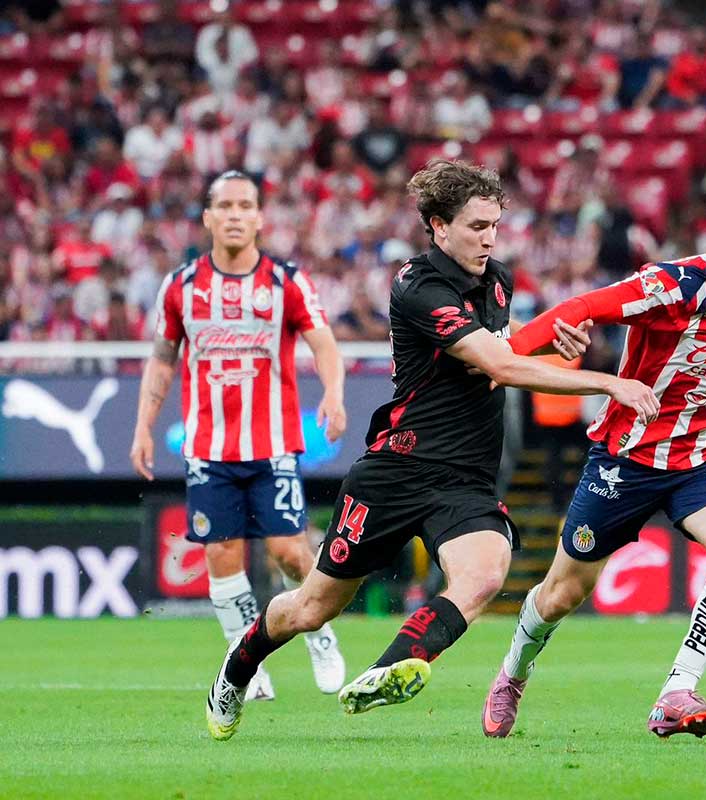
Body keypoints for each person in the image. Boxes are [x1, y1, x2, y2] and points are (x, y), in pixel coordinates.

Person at [204, 159, 659, 741]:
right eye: (475, 226)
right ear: (439, 226)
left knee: (486, 573)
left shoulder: (498, 280)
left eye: (494, 224)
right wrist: (606, 380)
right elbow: (497, 364)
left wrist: (549, 342)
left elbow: (501, 351)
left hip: (464, 479)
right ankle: (236, 670)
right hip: (396, 469)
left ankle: (386, 670)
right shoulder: (416, 285)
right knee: (312, 608)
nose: (489, 237)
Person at [482, 191, 706, 740]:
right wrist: (502, 358)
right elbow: (581, 309)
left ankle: (677, 691)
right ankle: (512, 673)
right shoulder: (675, 287)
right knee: (563, 593)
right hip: (624, 461)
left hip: (703, 458)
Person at [130, 170, 348, 704]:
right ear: (207, 216)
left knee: (291, 553)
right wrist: (143, 425)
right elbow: (162, 359)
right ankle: (245, 664)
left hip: (272, 444)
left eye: (244, 205)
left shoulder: (286, 281)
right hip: (208, 449)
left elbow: (324, 344)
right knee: (222, 558)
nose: (233, 214)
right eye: (223, 205)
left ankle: (318, 631)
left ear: (258, 217)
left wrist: (334, 393)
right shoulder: (181, 286)